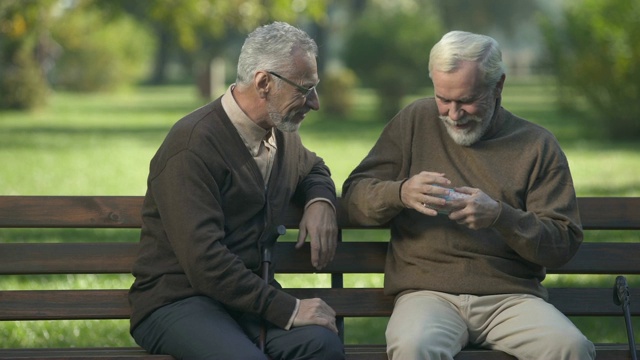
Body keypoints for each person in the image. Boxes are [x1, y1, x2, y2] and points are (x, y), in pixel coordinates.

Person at [341, 30, 595, 360]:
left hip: (511, 297)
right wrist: (400, 192)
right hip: (427, 294)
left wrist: (501, 217)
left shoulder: (536, 145)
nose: (453, 114)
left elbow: (563, 241)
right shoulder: (415, 121)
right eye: (443, 99)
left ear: (498, 86)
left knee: (571, 348)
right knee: (414, 346)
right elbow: (354, 197)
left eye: (466, 101)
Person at [129, 21, 344, 360]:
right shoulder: (192, 145)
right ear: (264, 83)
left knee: (323, 346)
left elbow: (312, 168)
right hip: (178, 301)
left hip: (244, 303)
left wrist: (319, 201)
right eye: (305, 89)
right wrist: (288, 309)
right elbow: (205, 263)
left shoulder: (281, 134)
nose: (314, 103)